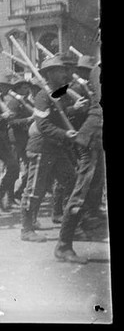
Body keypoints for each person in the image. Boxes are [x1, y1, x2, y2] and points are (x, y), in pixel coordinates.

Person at [20, 54, 77, 242]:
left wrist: (74, 109)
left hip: (55, 148)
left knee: (71, 180)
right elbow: (43, 124)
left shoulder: (57, 93)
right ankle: (26, 230)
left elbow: (58, 116)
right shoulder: (42, 95)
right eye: (60, 70)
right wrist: (64, 134)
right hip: (41, 148)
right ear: (50, 73)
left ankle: (69, 222)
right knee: (35, 189)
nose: (65, 73)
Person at [55, 60, 103, 263]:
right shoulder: (98, 70)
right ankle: (64, 245)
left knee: (92, 190)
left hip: (97, 135)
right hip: (92, 136)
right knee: (81, 191)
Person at [0, 74, 19, 213]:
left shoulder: (4, 100)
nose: (7, 89)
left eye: (8, 87)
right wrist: (2, 117)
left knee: (13, 168)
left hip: (2, 140)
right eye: (4, 86)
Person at [6, 75, 35, 206]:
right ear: (17, 89)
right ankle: (8, 198)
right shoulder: (14, 102)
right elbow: (11, 122)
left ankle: (18, 193)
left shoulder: (26, 102)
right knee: (13, 170)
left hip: (26, 139)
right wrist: (28, 120)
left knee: (30, 169)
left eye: (27, 86)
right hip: (15, 140)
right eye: (24, 87)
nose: (27, 89)